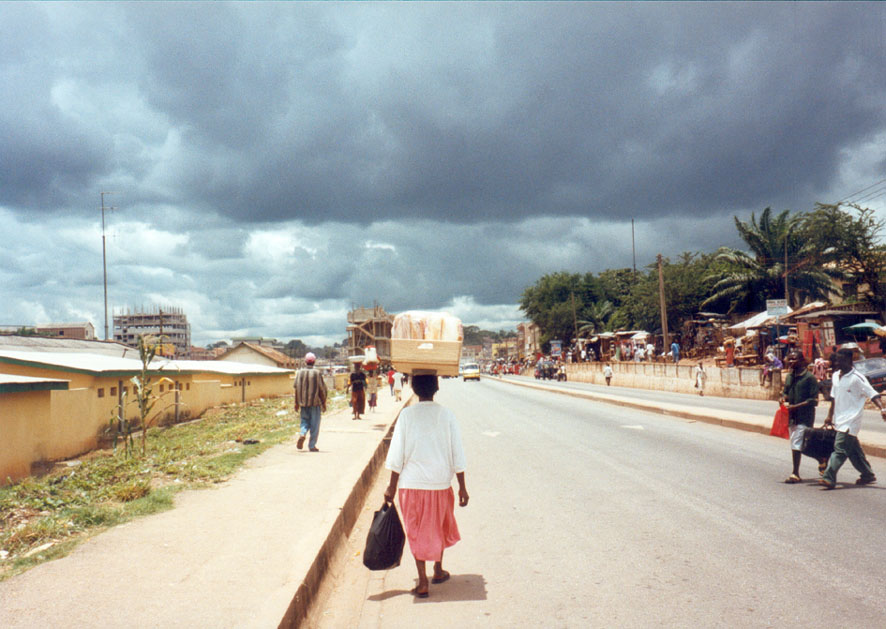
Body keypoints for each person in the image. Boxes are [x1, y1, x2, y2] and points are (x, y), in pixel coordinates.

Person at [383, 374, 469, 599]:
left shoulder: (406, 416)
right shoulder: (447, 415)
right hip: (440, 484)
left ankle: (422, 581)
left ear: (413, 387)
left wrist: (391, 487)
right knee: (438, 525)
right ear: (437, 387)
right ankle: (438, 570)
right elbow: (456, 452)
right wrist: (462, 486)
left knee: (416, 530)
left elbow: (396, 455)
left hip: (411, 486)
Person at [819, 348, 886, 488]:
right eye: (836, 359)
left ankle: (828, 477)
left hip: (851, 420)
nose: (836, 362)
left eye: (840, 359)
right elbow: (834, 399)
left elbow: (873, 394)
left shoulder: (858, 378)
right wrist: (829, 416)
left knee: (840, 449)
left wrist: (882, 409)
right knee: (853, 450)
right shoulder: (836, 376)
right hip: (839, 419)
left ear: (849, 360)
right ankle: (867, 474)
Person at [780, 352, 821, 483]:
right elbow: (785, 392)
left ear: (802, 361)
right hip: (792, 416)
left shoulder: (809, 378)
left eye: (794, 359)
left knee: (796, 442)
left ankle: (795, 473)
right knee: (803, 444)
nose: (791, 361)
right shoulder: (789, 377)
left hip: (805, 416)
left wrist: (796, 406)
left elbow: (814, 400)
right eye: (789, 359)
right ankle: (822, 458)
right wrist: (783, 398)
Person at [294, 352, 327, 452]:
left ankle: (302, 433)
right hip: (315, 403)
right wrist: (324, 402)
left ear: (305, 362)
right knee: (315, 425)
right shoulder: (317, 373)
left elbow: (296, 388)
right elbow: (322, 389)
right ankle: (312, 445)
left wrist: (296, 403)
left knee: (304, 421)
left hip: (303, 403)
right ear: (314, 362)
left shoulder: (299, 373)